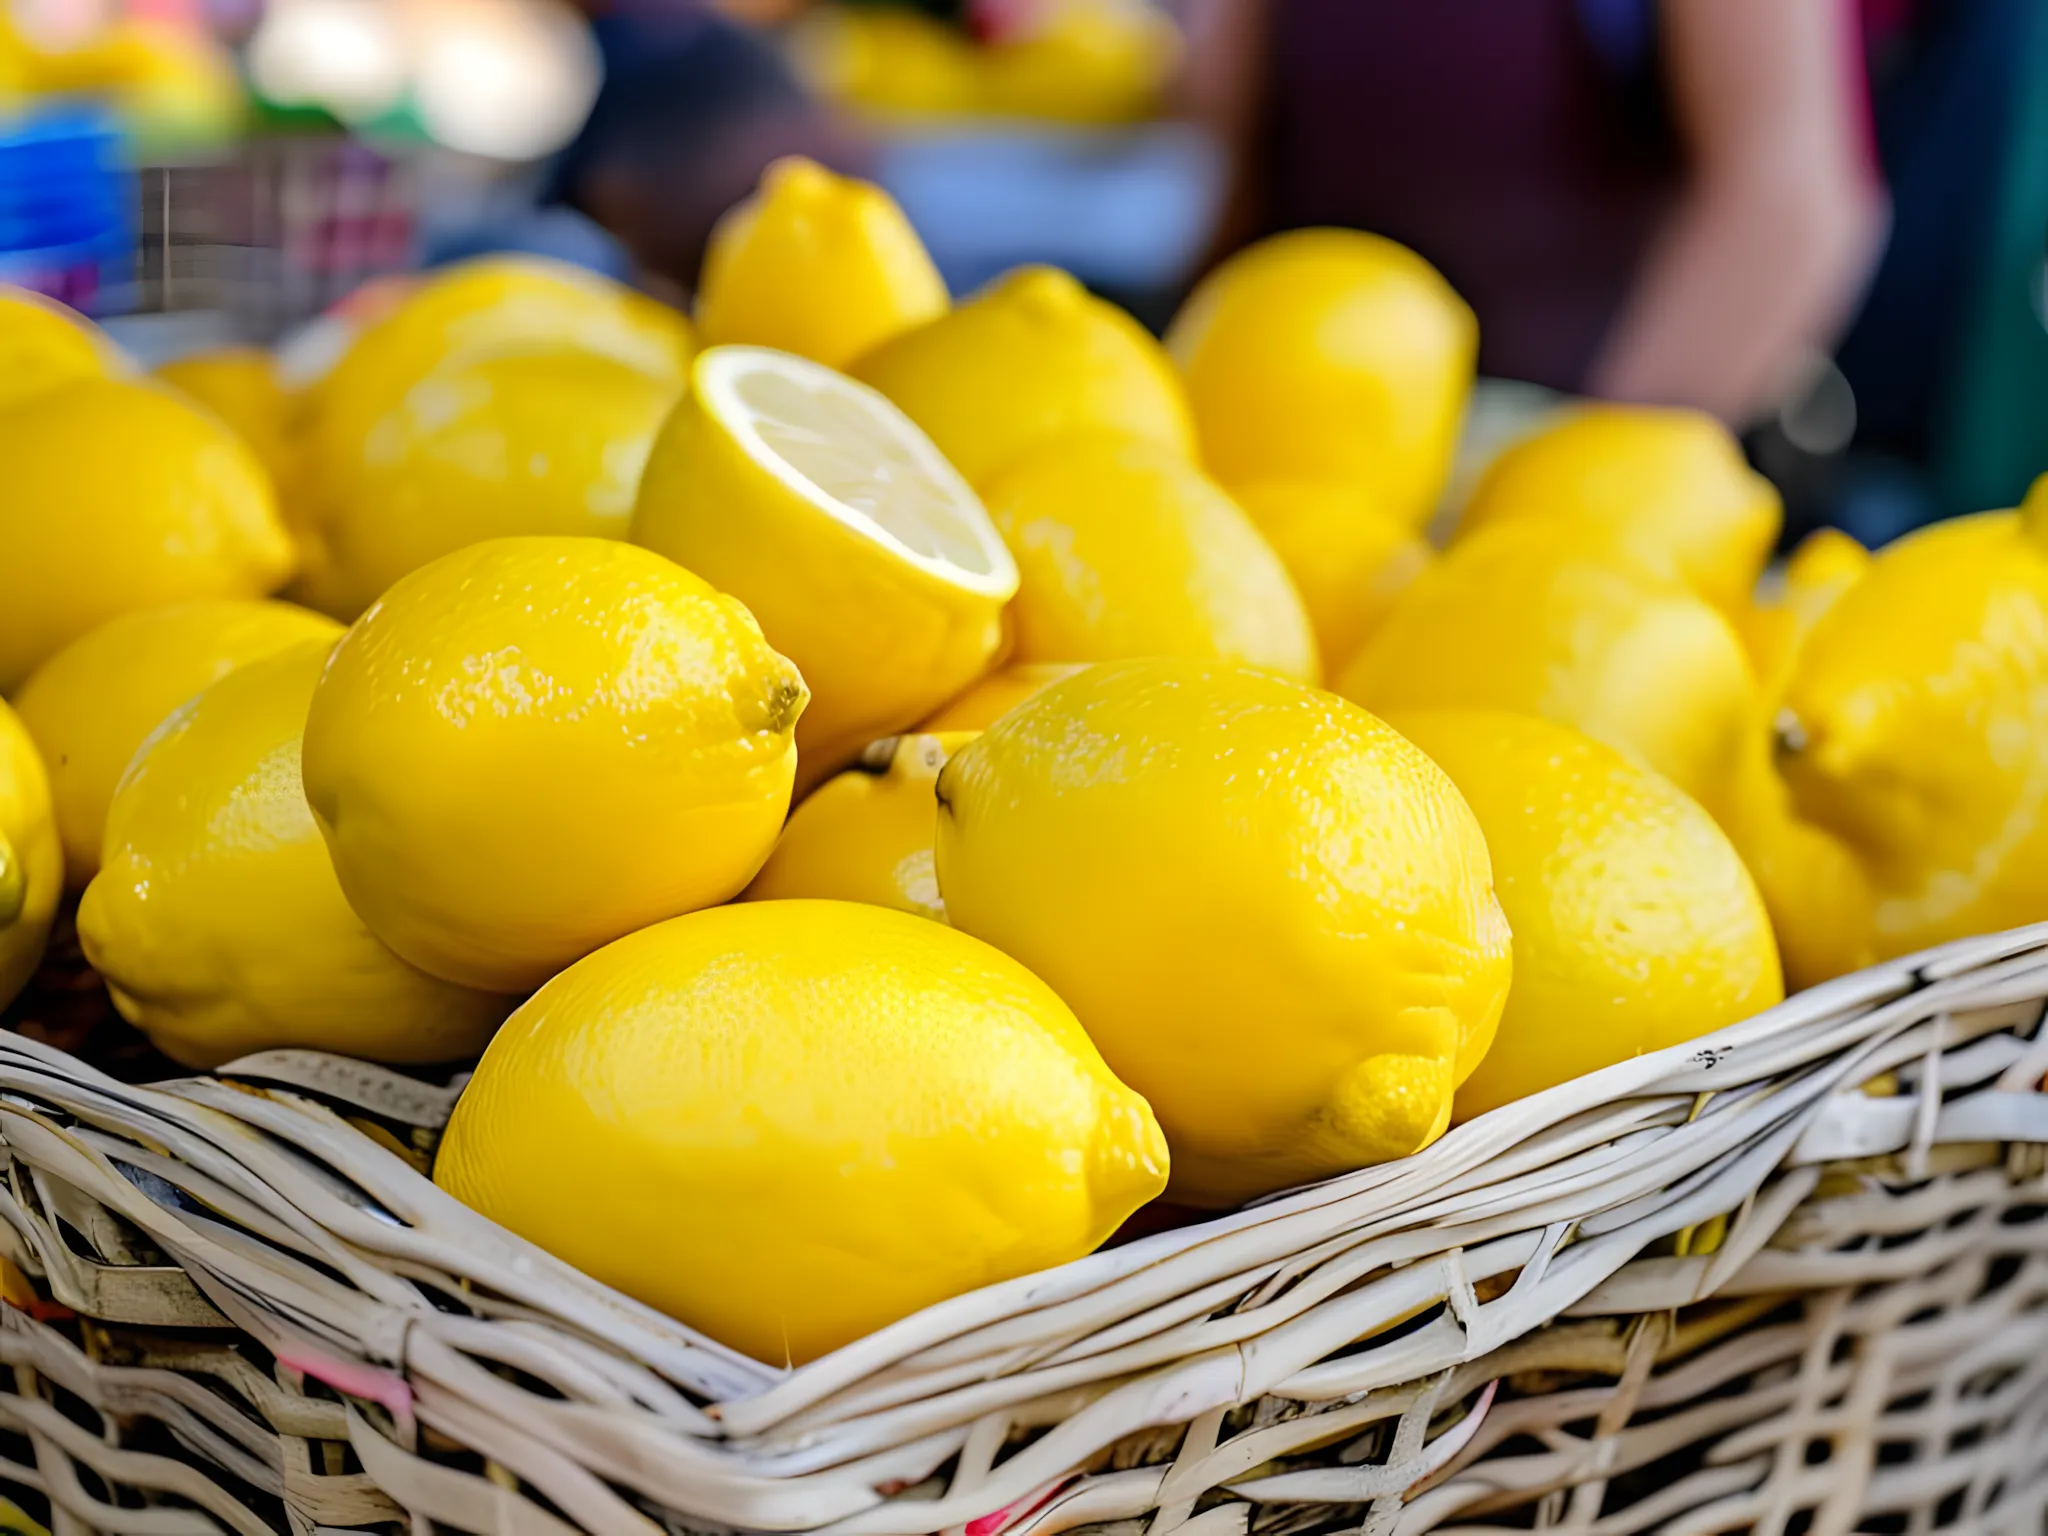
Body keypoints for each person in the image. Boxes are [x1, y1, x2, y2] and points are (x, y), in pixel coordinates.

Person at [1175, 0, 1889, 428]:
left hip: (1537, 460)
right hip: (1280, 445)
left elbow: (1792, 203)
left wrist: (1587, 482)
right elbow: (1219, 118)